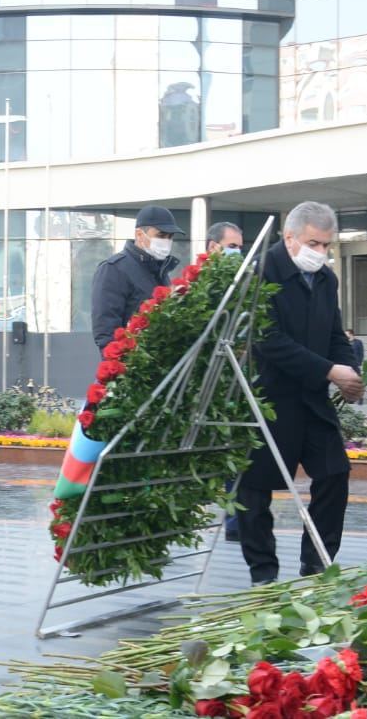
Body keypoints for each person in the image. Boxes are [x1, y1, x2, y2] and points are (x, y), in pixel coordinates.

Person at [237, 201, 363, 587]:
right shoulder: (259, 274)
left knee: (334, 474)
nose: (321, 253)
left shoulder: (326, 280)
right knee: (255, 489)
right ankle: (264, 575)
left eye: (327, 246)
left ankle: (317, 564)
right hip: (267, 399)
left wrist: (350, 374)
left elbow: (333, 335)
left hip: (311, 398)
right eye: (314, 243)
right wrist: (329, 370)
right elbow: (268, 341)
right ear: (289, 238)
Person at [90, 205, 185, 353]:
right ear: (140, 235)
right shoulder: (114, 269)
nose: (166, 241)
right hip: (132, 367)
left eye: (170, 237)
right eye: (161, 235)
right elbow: (106, 331)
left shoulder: (161, 271)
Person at [207, 222, 247, 541]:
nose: (238, 253)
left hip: (236, 381)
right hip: (207, 384)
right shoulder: (199, 288)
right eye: (232, 247)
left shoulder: (244, 286)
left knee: (237, 452)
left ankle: (236, 522)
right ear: (213, 248)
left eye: (240, 247)